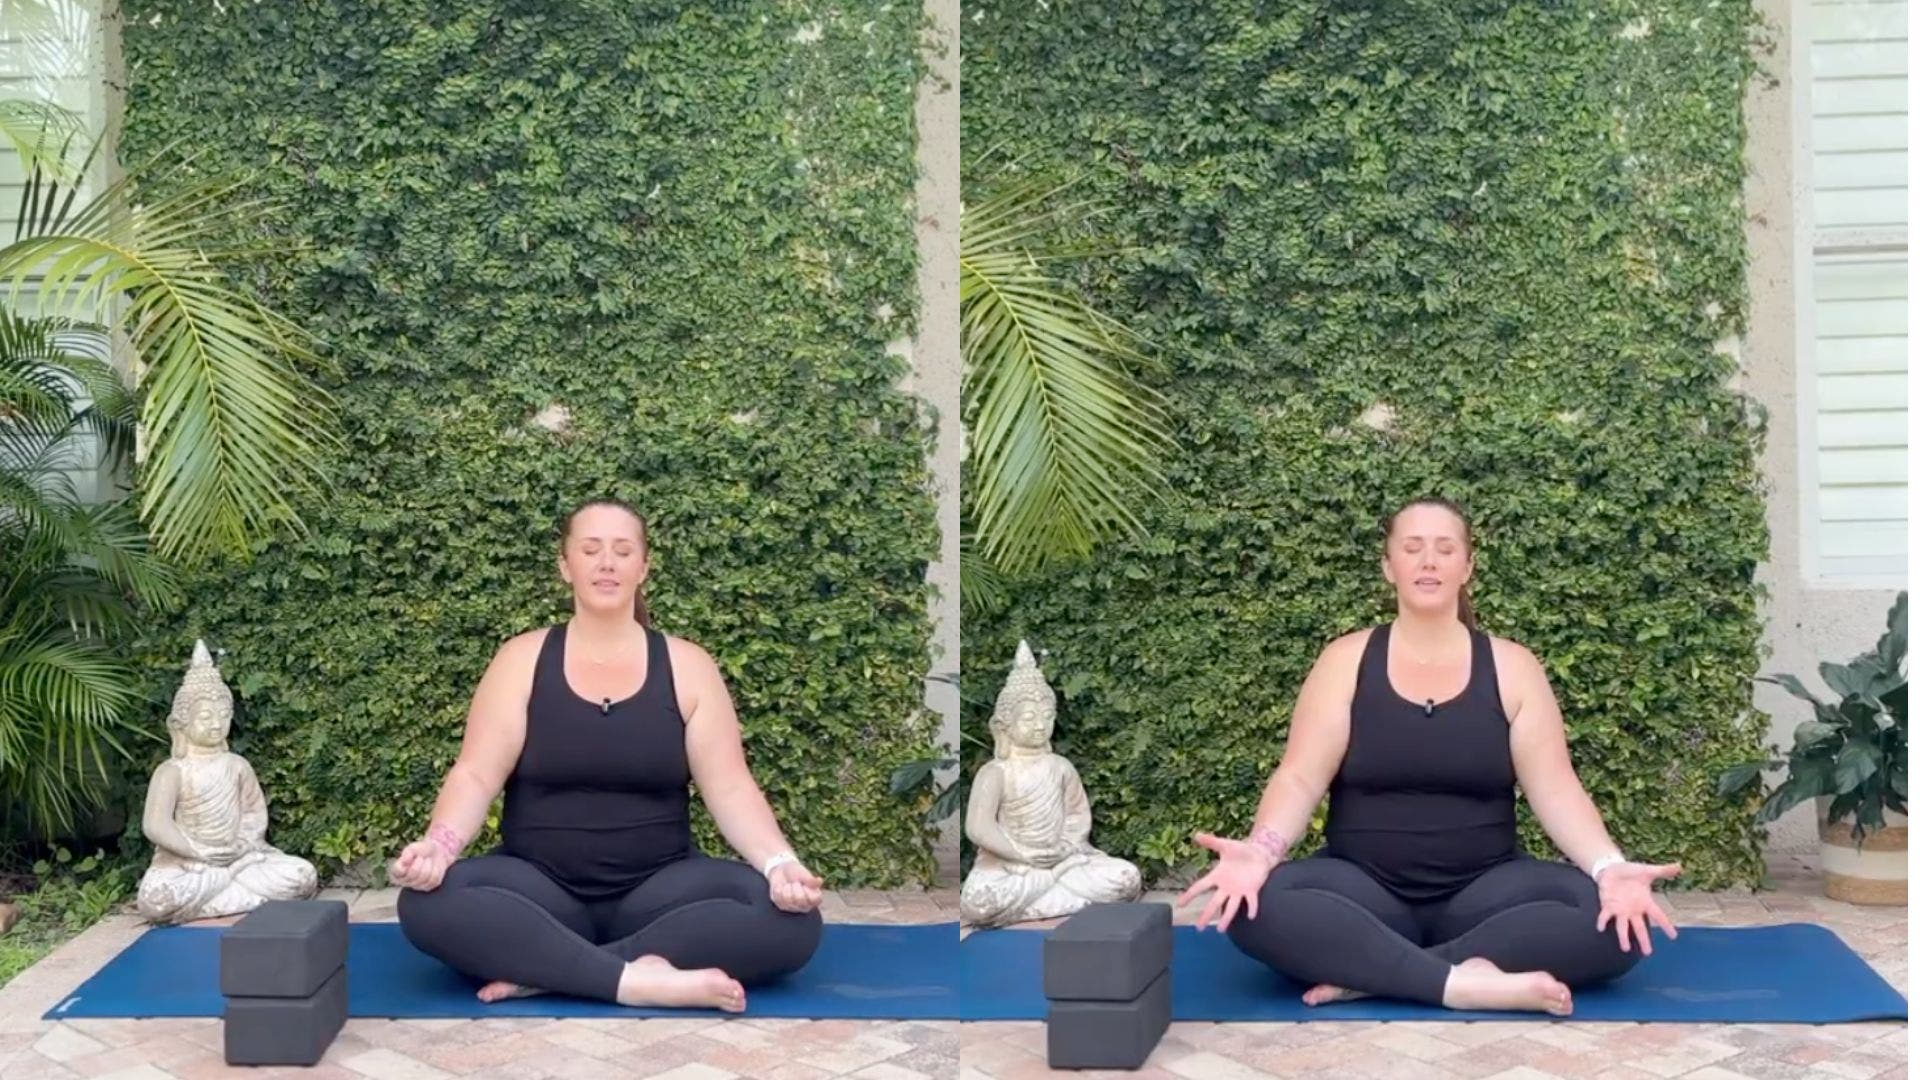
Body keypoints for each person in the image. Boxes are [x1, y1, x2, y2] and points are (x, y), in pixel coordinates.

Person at [1177, 496, 1681, 1015]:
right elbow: (1300, 777)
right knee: (1253, 907)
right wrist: (1261, 852)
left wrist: (1609, 867)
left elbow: (1554, 787)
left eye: (1445, 548)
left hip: (1486, 894)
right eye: (1412, 547)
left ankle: (1377, 974)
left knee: (1616, 922)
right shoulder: (1344, 660)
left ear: (1468, 566)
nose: (1428, 561)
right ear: (1388, 565)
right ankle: (1464, 982)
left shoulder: (1513, 666)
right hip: (1363, 890)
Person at [391, 498, 825, 1011]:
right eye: (590, 549)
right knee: (426, 904)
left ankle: (553, 971)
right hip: (538, 889)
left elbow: (730, 786)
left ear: (643, 567)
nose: (606, 563)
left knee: (792, 920)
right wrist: (439, 848)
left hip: (661, 895)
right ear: (565, 565)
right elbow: (476, 774)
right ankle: (640, 979)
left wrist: (781, 864)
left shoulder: (688, 665)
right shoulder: (521, 659)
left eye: (622, 551)